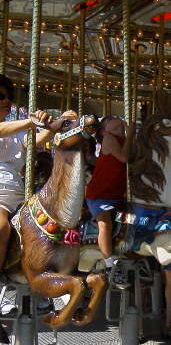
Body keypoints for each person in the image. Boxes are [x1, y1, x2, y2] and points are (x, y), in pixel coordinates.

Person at [0, 72, 64, 318]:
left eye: (9, 97)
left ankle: (42, 289)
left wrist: (53, 125)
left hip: (16, 197)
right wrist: (29, 122)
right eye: (1, 96)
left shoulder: (16, 132)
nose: (7, 100)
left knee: (47, 231)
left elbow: (36, 140)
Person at [85, 116, 135, 277]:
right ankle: (110, 264)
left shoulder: (124, 140)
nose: (118, 119)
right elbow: (124, 158)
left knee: (131, 220)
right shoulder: (109, 139)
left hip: (117, 194)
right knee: (105, 224)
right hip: (100, 195)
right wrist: (131, 135)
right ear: (104, 130)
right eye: (112, 119)